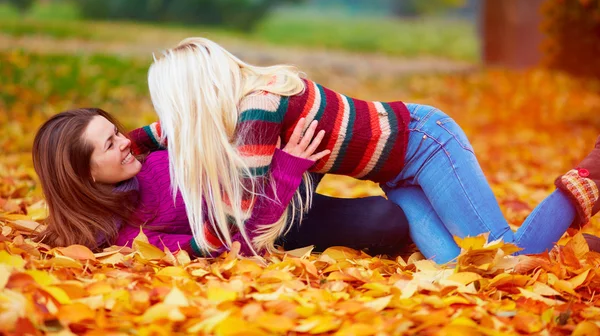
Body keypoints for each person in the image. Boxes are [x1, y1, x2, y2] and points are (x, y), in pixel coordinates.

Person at [146, 37, 600, 263]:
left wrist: (199, 244)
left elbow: (241, 213)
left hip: (426, 141)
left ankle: (592, 173)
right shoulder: (242, 103)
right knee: (458, 267)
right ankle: (581, 251)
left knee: (503, 256)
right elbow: (170, 130)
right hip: (393, 173)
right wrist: (129, 141)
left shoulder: (261, 106)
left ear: (195, 94)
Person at [31, 108, 413, 256]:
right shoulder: (134, 235)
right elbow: (234, 244)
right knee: (388, 219)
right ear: (85, 175)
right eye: (110, 144)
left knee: (315, 116)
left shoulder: (132, 167)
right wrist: (287, 168)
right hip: (274, 221)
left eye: (117, 131)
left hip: (267, 175)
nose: (125, 142)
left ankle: (412, 157)